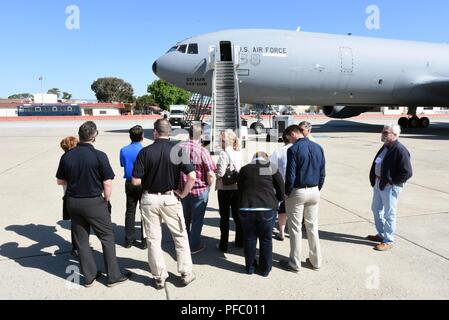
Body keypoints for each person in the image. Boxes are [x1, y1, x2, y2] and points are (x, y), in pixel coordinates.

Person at [56, 121, 131, 287]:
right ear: (94, 137)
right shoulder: (100, 156)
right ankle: (113, 275)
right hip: (93, 202)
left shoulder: (67, 156)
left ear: (80, 136)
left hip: (73, 202)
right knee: (106, 237)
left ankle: (89, 277)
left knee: (81, 240)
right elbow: (108, 183)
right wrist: (106, 200)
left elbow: (60, 181)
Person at [132, 119, 197, 290]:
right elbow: (192, 176)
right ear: (170, 132)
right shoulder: (178, 151)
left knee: (153, 239)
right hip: (170, 198)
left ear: (155, 132)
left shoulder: (144, 152)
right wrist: (182, 194)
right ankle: (185, 272)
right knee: (180, 236)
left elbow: (136, 181)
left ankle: (159, 276)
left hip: (149, 199)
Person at [280, 125, 326, 272]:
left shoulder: (293, 149)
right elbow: (322, 173)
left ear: (293, 133)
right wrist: (317, 188)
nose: (289, 141)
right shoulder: (318, 147)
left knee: (295, 228)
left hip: (298, 191)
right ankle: (316, 261)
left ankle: (295, 263)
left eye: (288, 138)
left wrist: (286, 192)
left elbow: (291, 174)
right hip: (314, 190)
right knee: (312, 227)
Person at [238, 152, 284, 277]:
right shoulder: (271, 167)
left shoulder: (245, 169)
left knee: (249, 239)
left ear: (253, 159)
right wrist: (278, 200)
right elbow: (281, 186)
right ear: (266, 158)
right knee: (266, 239)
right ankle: (265, 270)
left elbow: (240, 188)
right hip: (267, 207)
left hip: (247, 207)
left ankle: (250, 268)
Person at [368, 124, 412, 251]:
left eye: (386, 132)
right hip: (379, 184)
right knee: (376, 209)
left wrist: (392, 182)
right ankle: (381, 234)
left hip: (389, 187)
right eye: (383, 132)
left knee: (389, 214)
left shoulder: (400, 150)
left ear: (395, 135)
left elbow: (407, 172)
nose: (383, 134)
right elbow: (377, 163)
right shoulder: (385, 147)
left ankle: (388, 240)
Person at [179, 123, 216, 254]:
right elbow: (211, 173)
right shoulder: (202, 151)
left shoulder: (178, 148)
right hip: (200, 190)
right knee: (197, 219)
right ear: (200, 135)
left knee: (184, 218)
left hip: (182, 190)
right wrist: (209, 185)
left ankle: (182, 244)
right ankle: (194, 245)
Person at [215, 130, 244, 252]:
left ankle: (223, 244)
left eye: (220, 140)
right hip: (237, 187)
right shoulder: (239, 152)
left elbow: (220, 173)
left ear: (224, 141)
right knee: (237, 216)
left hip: (224, 188)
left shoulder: (223, 153)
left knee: (225, 217)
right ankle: (239, 241)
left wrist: (215, 171)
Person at [120, 125, 147, 249]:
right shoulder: (145, 150)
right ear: (142, 137)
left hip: (130, 182)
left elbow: (122, 164)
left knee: (130, 211)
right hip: (142, 183)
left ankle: (128, 240)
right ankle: (144, 240)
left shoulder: (123, 150)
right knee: (145, 212)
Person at [269, 131, 292, 241]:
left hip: (281, 184)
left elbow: (269, 167)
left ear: (283, 139)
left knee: (282, 210)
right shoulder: (298, 149)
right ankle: (293, 232)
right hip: (297, 186)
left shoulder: (279, 151)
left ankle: (281, 232)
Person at [59, 136, 79, 258]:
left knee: (75, 222)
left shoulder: (64, 158)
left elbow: (60, 181)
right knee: (79, 223)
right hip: (74, 193)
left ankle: (77, 247)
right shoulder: (71, 157)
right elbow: (60, 180)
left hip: (68, 194)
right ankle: (77, 247)